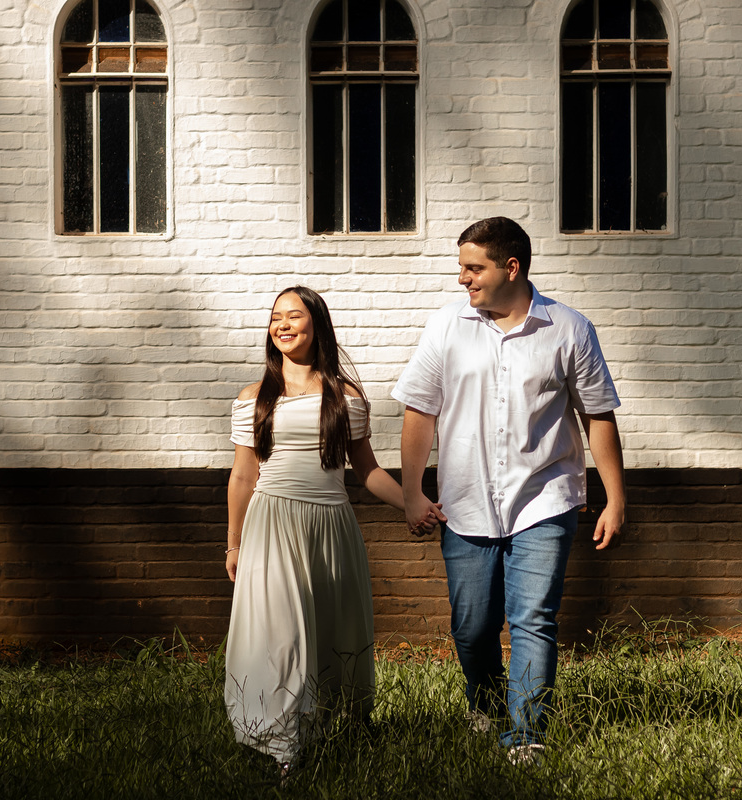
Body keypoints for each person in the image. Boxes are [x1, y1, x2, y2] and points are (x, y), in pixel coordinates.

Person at [392, 217, 626, 759]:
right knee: (472, 628)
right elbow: (419, 411)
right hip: (465, 500)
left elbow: (598, 416)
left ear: (511, 268)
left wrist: (615, 498)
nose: (462, 280)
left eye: (473, 269)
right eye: (461, 268)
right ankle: (486, 702)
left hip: (545, 498)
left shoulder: (568, 329)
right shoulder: (448, 325)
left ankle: (526, 735)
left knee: (533, 619)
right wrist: (410, 491)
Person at [224, 286, 440, 771]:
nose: (282, 324)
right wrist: (233, 543)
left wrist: (413, 502)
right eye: (275, 317)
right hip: (272, 525)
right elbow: (243, 476)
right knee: (280, 632)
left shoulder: (345, 398)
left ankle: (326, 728)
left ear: (316, 323)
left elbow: (367, 471)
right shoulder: (252, 398)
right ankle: (279, 743)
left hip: (330, 526)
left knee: (325, 630)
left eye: (293, 315)